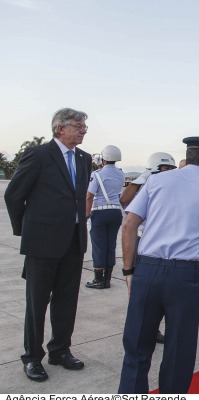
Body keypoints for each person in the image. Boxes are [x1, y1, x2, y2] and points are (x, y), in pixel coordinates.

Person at [118, 136, 199, 394]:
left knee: (137, 345)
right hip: (184, 276)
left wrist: (129, 271)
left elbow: (129, 225)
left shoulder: (157, 180)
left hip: (147, 269)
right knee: (178, 350)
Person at [4, 108, 92, 382]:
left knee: (67, 301)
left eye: (84, 126)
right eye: (78, 125)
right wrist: (28, 231)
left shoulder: (84, 158)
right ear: (59, 128)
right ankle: (32, 357)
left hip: (74, 242)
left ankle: (60, 350)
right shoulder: (39, 155)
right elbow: (14, 196)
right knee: (37, 303)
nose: (83, 130)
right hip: (42, 244)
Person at [119, 151, 177, 344]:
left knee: (159, 293)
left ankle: (154, 328)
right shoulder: (146, 185)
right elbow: (124, 200)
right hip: (142, 240)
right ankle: (139, 329)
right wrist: (140, 180)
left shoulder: (170, 187)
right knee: (138, 290)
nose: (167, 172)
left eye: (170, 168)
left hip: (162, 244)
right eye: (163, 168)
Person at [85, 145, 125, 289]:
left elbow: (89, 196)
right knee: (110, 245)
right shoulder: (121, 174)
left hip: (100, 212)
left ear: (104, 158)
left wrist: (86, 214)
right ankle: (107, 279)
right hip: (115, 212)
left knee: (98, 246)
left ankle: (98, 279)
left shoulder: (97, 174)